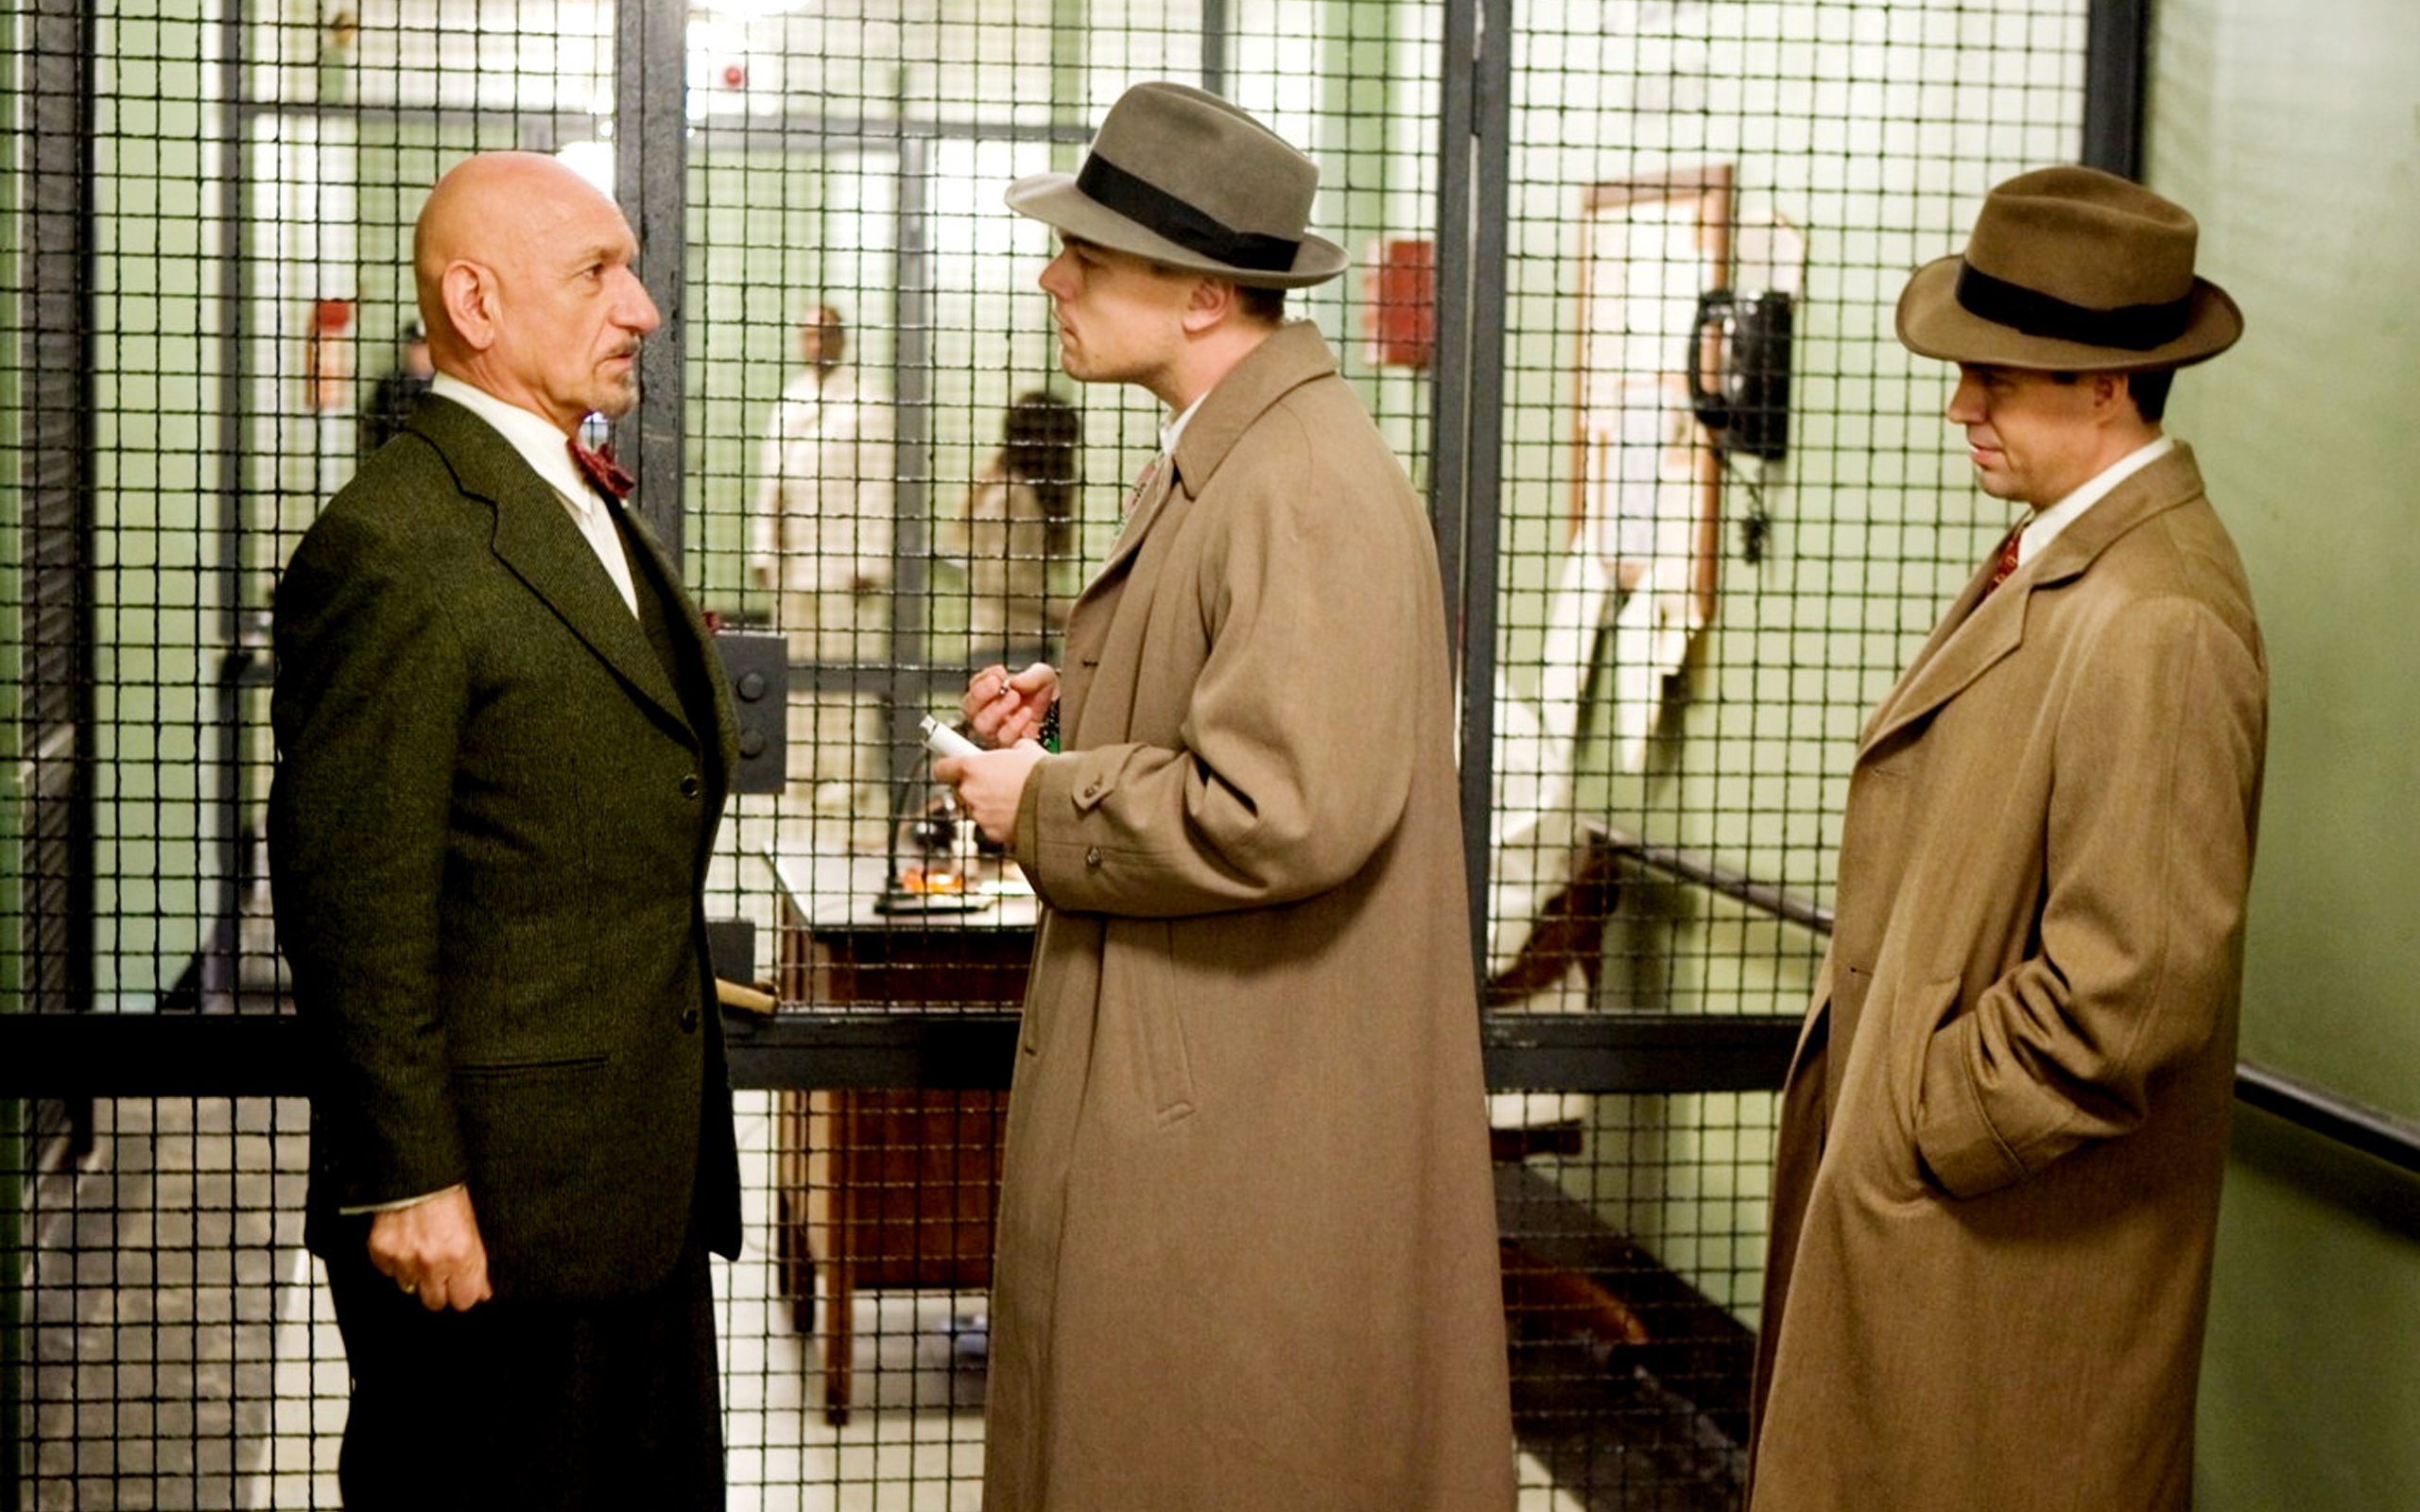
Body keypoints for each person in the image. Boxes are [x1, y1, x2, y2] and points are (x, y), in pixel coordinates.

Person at [930, 81, 1515, 1512]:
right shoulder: (1232, 455)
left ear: (1202, 296)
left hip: (1247, 1121)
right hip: (1215, 1079)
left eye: (1088, 257)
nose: (1053, 279)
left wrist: (1044, 799)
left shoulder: (1297, 483)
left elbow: (1278, 805)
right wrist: (1076, 718)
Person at [1748, 166, 2267, 1512]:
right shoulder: (2069, 562)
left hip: (2004, 1275)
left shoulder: (2158, 619)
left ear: (2107, 385)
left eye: (1996, 376)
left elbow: (2129, 992)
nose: (1959, 406)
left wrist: (1921, 1120)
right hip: (1961, 1250)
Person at [268, 151, 740, 1509]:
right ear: (475, 303)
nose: (641, 307)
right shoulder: (399, 541)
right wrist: (409, 1175)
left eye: (631, 270)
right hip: (487, 1217)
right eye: (597, 273)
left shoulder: (570, 496)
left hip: (629, 1191)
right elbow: (351, 895)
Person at [749, 303, 896, 850]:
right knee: (797, 671)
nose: (814, 343)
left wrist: (869, 559)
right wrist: (764, 548)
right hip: (795, 563)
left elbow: (879, 483)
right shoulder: (791, 400)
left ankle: (846, 778)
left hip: (845, 565)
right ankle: (803, 770)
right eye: (807, 334)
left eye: (823, 334)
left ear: (841, 340)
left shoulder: (868, 403)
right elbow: (770, 480)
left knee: (848, 675)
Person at [943, 388, 1080, 667]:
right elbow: (1004, 578)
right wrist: (1065, 610)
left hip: (997, 642)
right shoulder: (1014, 496)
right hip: (1015, 644)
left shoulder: (996, 486)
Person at [356, 318, 433, 456]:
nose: (418, 353)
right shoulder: (389, 385)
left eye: (423, 346)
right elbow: (373, 426)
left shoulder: (443, 386)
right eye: (414, 345)